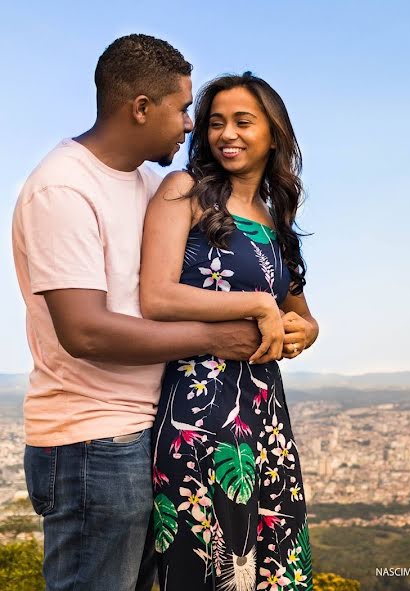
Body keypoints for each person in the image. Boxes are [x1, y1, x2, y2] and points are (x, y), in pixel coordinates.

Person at [10, 34, 298, 591]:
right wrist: (215, 338)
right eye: (184, 108)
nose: (192, 125)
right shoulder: (63, 189)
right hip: (91, 438)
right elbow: (86, 332)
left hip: (151, 426)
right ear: (141, 108)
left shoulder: (152, 184)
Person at [140, 72, 318, 590]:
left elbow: (303, 315)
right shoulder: (185, 190)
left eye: (243, 121)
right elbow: (156, 295)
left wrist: (302, 332)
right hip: (198, 413)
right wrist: (258, 303)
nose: (227, 134)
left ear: (274, 134)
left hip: (267, 418)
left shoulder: (275, 215)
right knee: (212, 567)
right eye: (216, 123)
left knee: (274, 568)